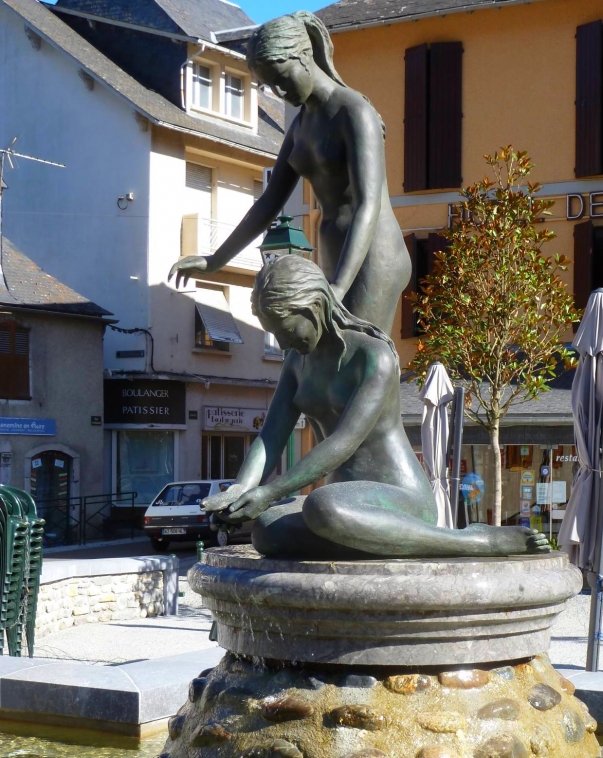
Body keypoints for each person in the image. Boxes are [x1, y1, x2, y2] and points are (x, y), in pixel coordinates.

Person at [203, 255, 550, 559]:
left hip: (400, 498)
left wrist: (270, 491)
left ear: (314, 308)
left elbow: (344, 442)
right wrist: (241, 490)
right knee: (267, 530)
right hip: (343, 504)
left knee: (323, 506)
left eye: (286, 330)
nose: (282, 343)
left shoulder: (373, 356)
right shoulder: (297, 361)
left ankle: (472, 541)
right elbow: (271, 436)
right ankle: (374, 541)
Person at [169, 12, 411, 336]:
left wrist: (338, 287)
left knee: (351, 358)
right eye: (270, 85)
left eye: (282, 78)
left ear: (304, 56)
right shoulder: (300, 126)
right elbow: (269, 203)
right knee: (322, 366)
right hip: (334, 250)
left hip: (372, 254)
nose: (280, 91)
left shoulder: (354, 113)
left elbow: (369, 204)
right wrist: (215, 260)